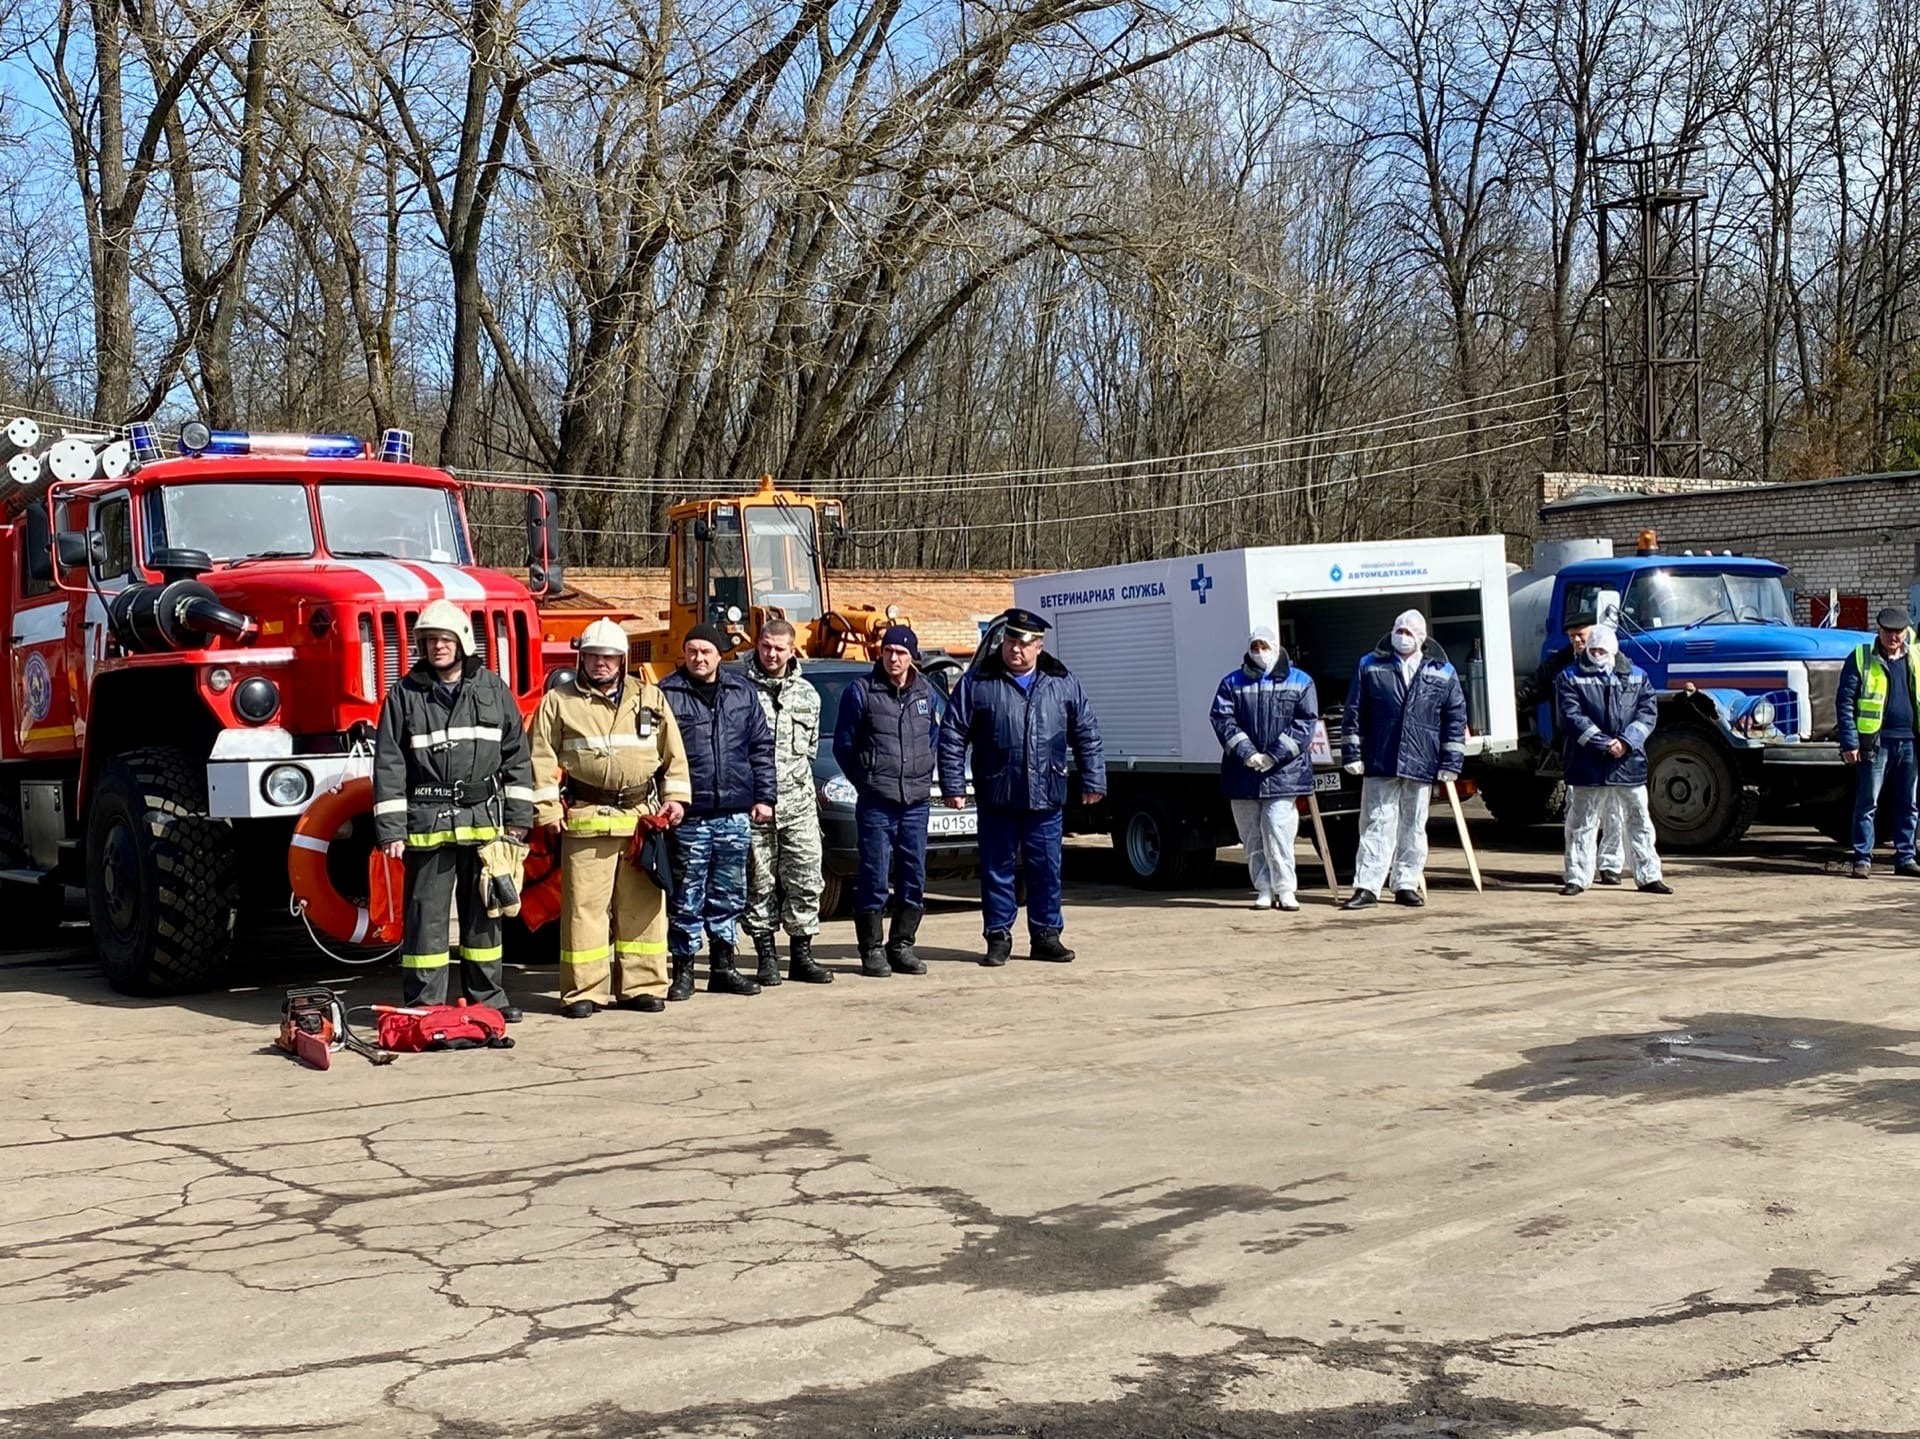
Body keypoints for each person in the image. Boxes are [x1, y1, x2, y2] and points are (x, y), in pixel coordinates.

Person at [373, 598, 535, 1020]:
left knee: (485, 916)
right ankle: (424, 1005)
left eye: (444, 640)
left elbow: (517, 757)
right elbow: (389, 763)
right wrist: (391, 829)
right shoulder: (404, 695)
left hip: (484, 823)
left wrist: (518, 820)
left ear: (462, 641)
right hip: (427, 824)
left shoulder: (493, 690)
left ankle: (488, 1001)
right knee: (426, 919)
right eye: (429, 641)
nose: (437, 648)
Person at [528, 619, 692, 1018]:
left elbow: (674, 756)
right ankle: (584, 991)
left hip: (640, 822)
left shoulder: (650, 698)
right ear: (581, 658)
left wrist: (676, 800)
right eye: (593, 657)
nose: (601, 664)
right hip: (586, 820)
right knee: (585, 912)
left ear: (622, 661)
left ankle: (643, 986)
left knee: (644, 909)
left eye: (609, 657)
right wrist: (547, 809)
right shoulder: (560, 702)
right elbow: (541, 758)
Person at [939, 608, 1105, 965]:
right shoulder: (979, 681)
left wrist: (1093, 778)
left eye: (1024, 643)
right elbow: (952, 734)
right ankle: (998, 936)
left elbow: (1086, 731)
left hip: (1046, 792)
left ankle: (1046, 935)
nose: (1015, 649)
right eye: (1010, 641)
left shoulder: (1061, 681)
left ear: (1039, 647)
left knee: (1046, 866)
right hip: (997, 791)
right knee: (997, 866)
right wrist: (954, 784)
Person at [659, 624, 777, 998]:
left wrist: (765, 797)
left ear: (719, 655)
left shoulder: (741, 692)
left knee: (729, 894)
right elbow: (655, 754)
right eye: (692, 651)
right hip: (689, 816)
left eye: (706, 651)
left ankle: (723, 967)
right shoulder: (666, 694)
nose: (698, 658)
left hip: (734, 814)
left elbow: (761, 748)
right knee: (686, 895)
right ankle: (683, 971)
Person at [1339, 609, 1467, 911]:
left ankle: (1406, 883)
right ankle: (1367, 886)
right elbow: (1353, 712)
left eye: (1409, 631)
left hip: (1420, 761)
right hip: (1381, 758)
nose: (1402, 635)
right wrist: (1353, 754)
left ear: (1422, 637)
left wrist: (1451, 763)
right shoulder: (1369, 665)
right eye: (1398, 629)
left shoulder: (1442, 671)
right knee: (1375, 824)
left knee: (1414, 826)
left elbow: (1455, 717)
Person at [834, 624, 942, 976]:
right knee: (874, 875)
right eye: (888, 652)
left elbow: (934, 737)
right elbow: (844, 745)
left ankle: (902, 945)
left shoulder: (926, 691)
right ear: (880, 654)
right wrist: (866, 780)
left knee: (914, 875)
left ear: (912, 657)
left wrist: (924, 771)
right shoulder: (861, 692)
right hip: (876, 802)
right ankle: (871, 949)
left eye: (901, 653)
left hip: (915, 802)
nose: (894, 658)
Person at [742, 619, 834, 985]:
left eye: (779, 648)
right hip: (755, 805)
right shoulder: (740, 690)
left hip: (798, 806)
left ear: (792, 650)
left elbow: (808, 752)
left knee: (807, 879)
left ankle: (802, 955)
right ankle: (766, 956)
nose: (771, 654)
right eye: (766, 646)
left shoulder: (808, 695)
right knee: (758, 880)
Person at [1553, 624, 1670, 896]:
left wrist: (1626, 742)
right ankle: (1577, 878)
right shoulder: (1569, 677)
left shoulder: (1638, 677)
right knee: (1581, 822)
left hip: (1628, 764)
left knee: (1639, 819)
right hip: (1588, 764)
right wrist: (1603, 743)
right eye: (1593, 649)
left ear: (1614, 649)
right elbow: (1571, 716)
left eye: (1602, 649)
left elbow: (1647, 713)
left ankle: (1649, 876)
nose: (1596, 653)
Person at [1209, 625, 1318, 911]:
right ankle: (1264, 887)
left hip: (1284, 773)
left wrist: (1273, 755)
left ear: (1275, 647)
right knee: (1251, 835)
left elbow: (1305, 723)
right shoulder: (1232, 683)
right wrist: (1247, 753)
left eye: (1264, 646)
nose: (1259, 652)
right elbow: (1222, 719)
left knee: (1277, 829)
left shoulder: (1300, 681)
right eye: (1255, 647)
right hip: (1242, 772)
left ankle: (1286, 888)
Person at [1530, 611, 1627, 885]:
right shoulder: (1560, 665)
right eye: (1572, 636)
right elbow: (1533, 688)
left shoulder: (1619, 663)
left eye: (1581, 635)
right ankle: (1578, 871)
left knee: (1614, 810)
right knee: (1579, 812)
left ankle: (1611, 866)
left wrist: (1624, 742)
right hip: (1576, 749)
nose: (1576, 641)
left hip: (1615, 749)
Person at [1836, 605, 1920, 879]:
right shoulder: (1861, 657)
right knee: (1867, 803)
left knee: (1909, 803)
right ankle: (1862, 859)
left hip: (1911, 742)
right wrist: (1850, 743)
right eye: (1888, 632)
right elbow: (1845, 701)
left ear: (1906, 632)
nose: (1894, 637)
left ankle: (1905, 858)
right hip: (1876, 743)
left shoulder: (1916, 657)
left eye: (1898, 632)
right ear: (1879, 631)